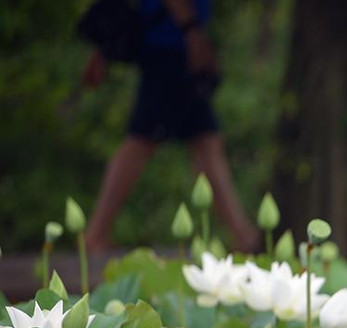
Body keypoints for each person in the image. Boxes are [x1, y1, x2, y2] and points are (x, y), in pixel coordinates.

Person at [82, 0, 259, 253]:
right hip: (171, 46)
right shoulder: (184, 33)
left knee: (203, 140)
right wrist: (192, 31)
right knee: (143, 139)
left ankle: (243, 235)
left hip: (173, 43)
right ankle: (95, 234)